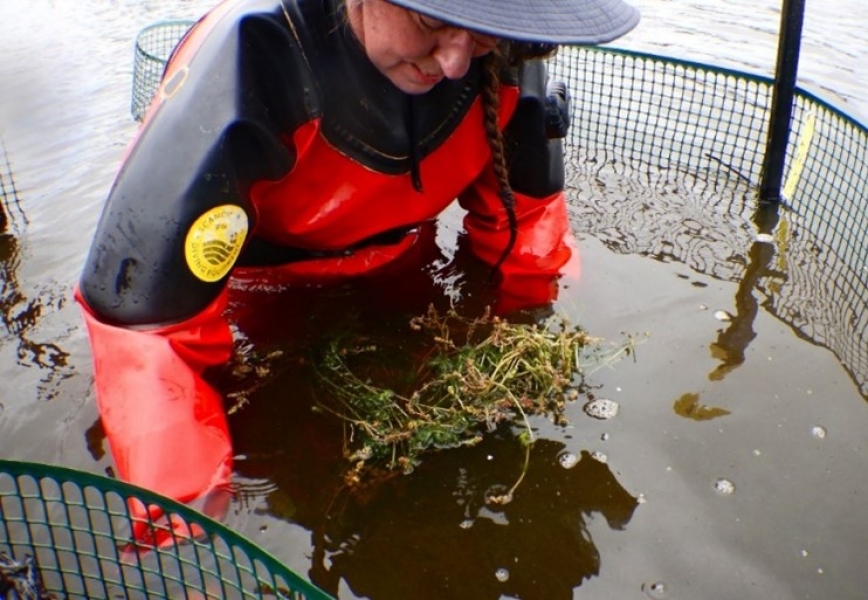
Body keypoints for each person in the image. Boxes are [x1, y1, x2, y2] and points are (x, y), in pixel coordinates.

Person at [76, 0, 639, 541]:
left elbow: (529, 231)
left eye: (480, 33)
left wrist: (523, 341)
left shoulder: (506, 49)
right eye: (429, 20)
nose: (453, 63)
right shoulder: (256, 57)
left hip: (401, 263)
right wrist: (188, 517)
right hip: (264, 288)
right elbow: (145, 329)